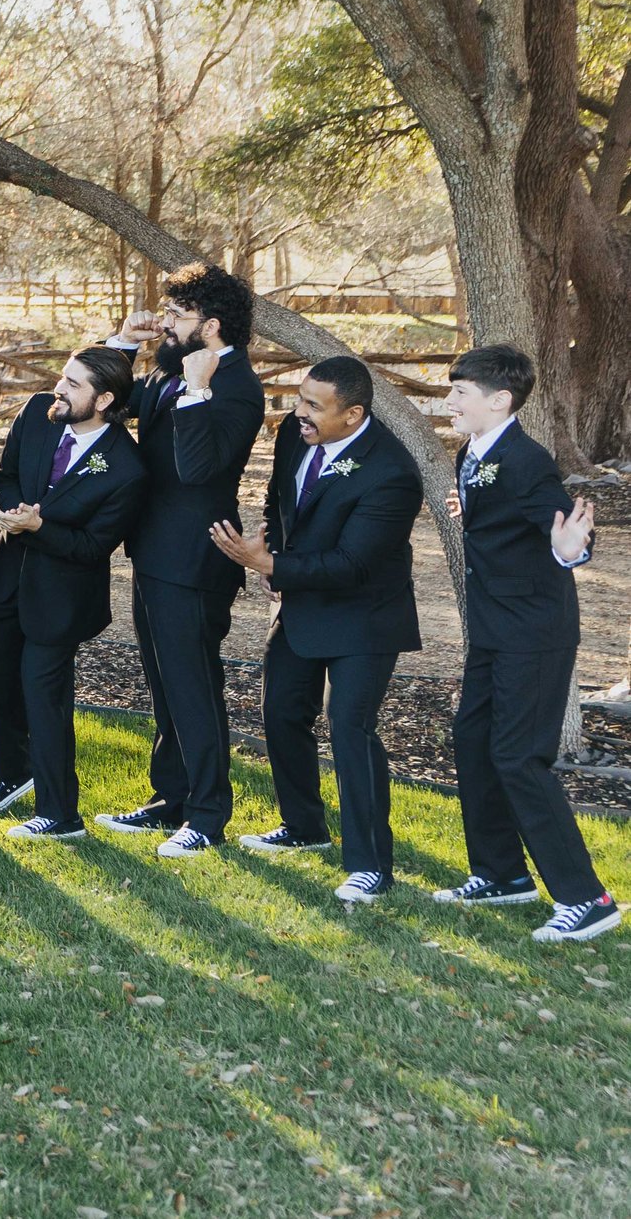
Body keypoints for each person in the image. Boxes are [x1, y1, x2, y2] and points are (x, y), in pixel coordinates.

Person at [208, 355, 421, 902]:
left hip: (365, 617)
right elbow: (280, 501)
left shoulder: (393, 474)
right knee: (281, 712)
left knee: (350, 728)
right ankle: (304, 827)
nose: (298, 413)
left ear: (353, 415)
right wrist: (272, 551)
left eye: (313, 406)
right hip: (301, 604)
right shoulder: (295, 434)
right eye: (300, 398)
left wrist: (269, 565)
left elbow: (353, 564)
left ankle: (371, 865)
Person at [428, 345, 614, 941]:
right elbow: (495, 515)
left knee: (518, 757)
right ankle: (502, 874)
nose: (449, 401)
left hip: (533, 633)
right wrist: (472, 510)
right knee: (473, 741)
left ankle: (587, 899)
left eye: (460, 392)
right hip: (493, 628)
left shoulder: (528, 460)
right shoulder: (473, 451)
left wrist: (571, 551)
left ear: (500, 400)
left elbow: (569, 532)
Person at [97, 263, 265, 858]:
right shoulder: (171, 371)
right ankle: (170, 798)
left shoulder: (238, 386)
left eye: (177, 315)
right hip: (152, 550)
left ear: (211, 325)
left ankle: (207, 815)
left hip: (197, 557)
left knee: (194, 687)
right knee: (165, 684)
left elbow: (198, 470)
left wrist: (197, 392)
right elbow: (108, 400)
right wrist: (122, 343)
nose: (165, 323)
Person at [0, 348, 146, 843]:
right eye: (62, 378)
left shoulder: (127, 468)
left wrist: (38, 527)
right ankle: (10, 775)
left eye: (73, 384)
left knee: (44, 697)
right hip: (6, 575)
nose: (59, 389)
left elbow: (93, 547)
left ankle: (59, 814)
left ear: (104, 399)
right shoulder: (37, 413)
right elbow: (5, 476)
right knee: (0, 682)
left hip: (62, 597)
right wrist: (12, 510)